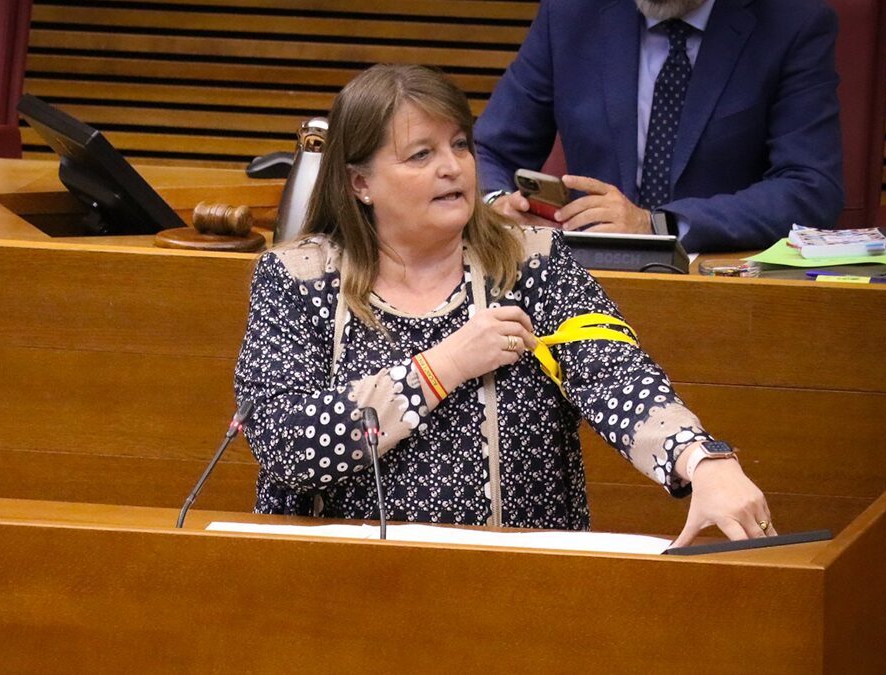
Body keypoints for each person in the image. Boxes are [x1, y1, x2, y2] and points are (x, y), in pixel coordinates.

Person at [234, 64, 774, 546]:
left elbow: (615, 375)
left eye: (460, 145)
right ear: (360, 183)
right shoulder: (298, 278)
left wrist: (701, 460)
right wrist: (441, 367)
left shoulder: (532, 263)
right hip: (342, 582)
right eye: (421, 154)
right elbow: (286, 445)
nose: (453, 167)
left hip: (517, 585)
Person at [474, 0, 845, 253]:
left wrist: (657, 224)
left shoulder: (792, 23)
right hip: (584, 280)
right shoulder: (571, 12)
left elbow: (810, 187)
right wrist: (496, 205)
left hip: (721, 284)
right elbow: (488, 151)